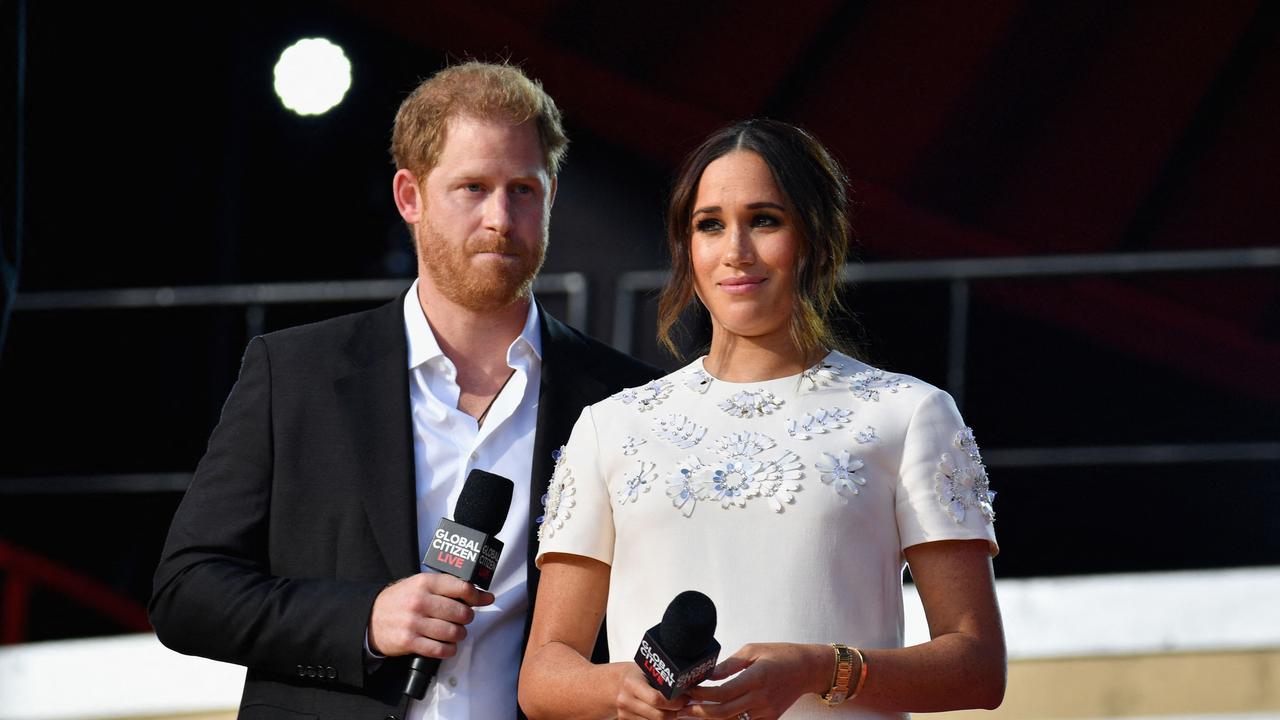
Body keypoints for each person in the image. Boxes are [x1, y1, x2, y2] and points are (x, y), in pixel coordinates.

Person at [150, 61, 659, 720]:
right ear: (409, 196)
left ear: (551, 196)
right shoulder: (296, 374)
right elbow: (187, 593)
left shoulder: (623, 399)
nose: (500, 217)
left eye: (523, 190)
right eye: (472, 187)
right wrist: (365, 620)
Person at [518, 118, 1006, 720]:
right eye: (710, 225)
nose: (735, 252)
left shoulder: (909, 415)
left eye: (765, 221)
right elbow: (543, 674)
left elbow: (978, 668)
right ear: (685, 247)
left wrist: (817, 669)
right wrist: (621, 690)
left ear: (817, 239)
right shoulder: (612, 426)